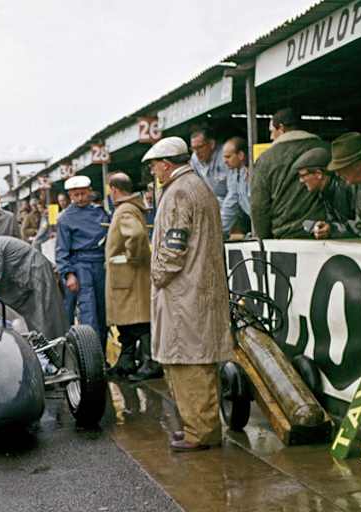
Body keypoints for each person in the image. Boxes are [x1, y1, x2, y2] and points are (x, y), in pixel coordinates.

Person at [142, 137, 232, 452]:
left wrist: (158, 275)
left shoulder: (178, 192)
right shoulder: (198, 186)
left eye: (154, 166)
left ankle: (200, 432)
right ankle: (201, 427)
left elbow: (173, 245)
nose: (153, 171)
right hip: (200, 287)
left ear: (166, 165)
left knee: (187, 361)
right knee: (198, 359)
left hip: (184, 292)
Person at [104, 173, 161, 380]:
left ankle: (150, 362)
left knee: (138, 321)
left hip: (128, 276)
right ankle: (126, 361)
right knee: (127, 322)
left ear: (114, 189)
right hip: (128, 277)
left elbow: (135, 235)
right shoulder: (130, 207)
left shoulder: (125, 210)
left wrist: (133, 257)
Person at [250, 108, 326, 239]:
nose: (271, 137)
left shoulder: (266, 159)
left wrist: (264, 239)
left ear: (281, 128)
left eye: (272, 131)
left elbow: (259, 206)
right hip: (324, 232)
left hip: (285, 235)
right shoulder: (326, 149)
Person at [55, 175, 109, 347]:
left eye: (83, 194)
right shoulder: (65, 218)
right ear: (70, 195)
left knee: (103, 311)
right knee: (88, 312)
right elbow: (61, 250)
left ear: (89, 192)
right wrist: (68, 274)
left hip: (101, 264)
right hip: (81, 266)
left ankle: (102, 353)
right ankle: (91, 354)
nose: (80, 198)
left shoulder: (100, 213)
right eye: (75, 195)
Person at [295, 147, 358, 239]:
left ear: (319, 174)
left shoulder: (345, 189)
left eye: (303, 175)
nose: (301, 180)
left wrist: (332, 229)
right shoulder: (326, 191)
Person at [328, 132, 361, 234]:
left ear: (357, 165)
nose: (337, 174)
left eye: (340, 168)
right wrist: (331, 228)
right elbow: (359, 225)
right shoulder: (358, 186)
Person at [220, 136, 252, 238]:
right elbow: (230, 204)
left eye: (228, 157)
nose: (225, 161)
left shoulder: (253, 172)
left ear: (241, 155)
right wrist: (217, 231)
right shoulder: (233, 174)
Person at [190, 126, 228, 205]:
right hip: (213, 203)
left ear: (211, 144)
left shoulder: (225, 156)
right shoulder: (194, 158)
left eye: (200, 147)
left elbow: (234, 192)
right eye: (193, 148)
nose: (197, 152)